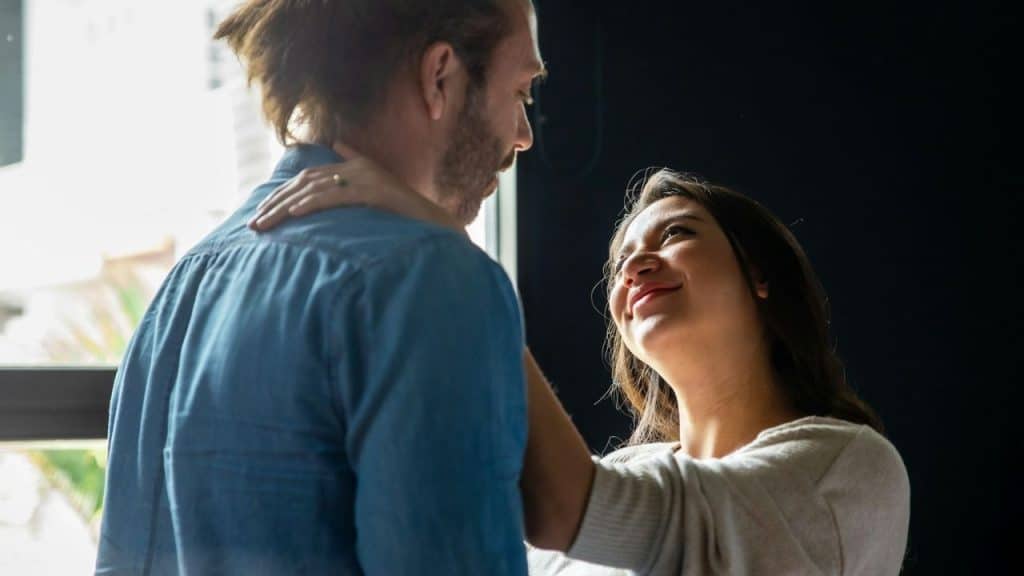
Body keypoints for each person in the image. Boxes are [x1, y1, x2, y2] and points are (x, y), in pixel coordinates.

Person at [253, 164, 912, 575]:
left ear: (759, 275)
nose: (635, 266)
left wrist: (450, 256)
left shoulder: (848, 468)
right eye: (623, 258)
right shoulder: (626, 476)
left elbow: (573, 507)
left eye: (675, 235)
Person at [96, 1, 546, 574]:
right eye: (520, 94)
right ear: (440, 77)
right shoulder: (432, 281)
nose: (524, 136)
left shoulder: (185, 285)